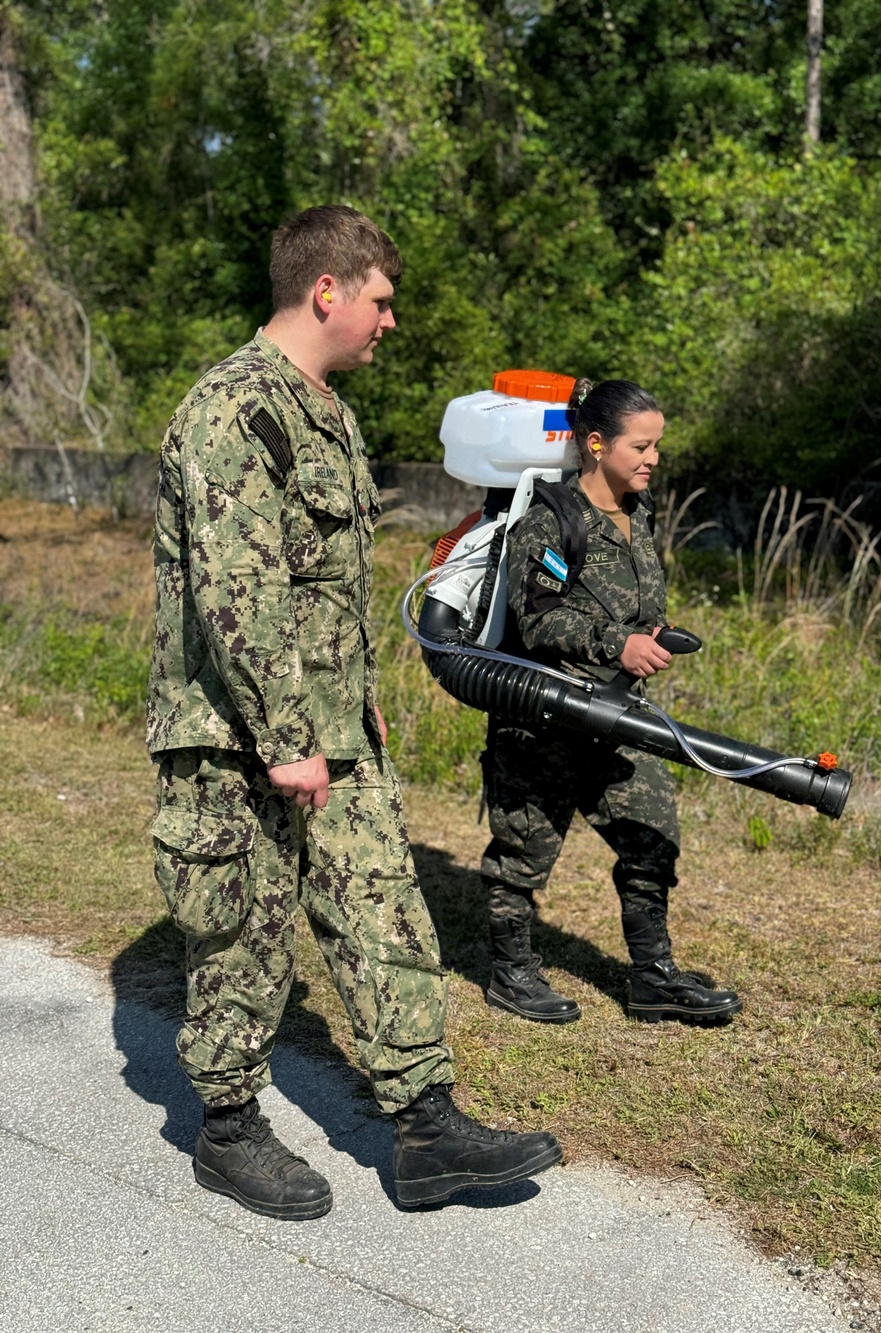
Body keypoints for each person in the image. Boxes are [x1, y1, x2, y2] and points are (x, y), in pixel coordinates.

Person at [146, 204, 561, 1218]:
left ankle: (425, 1125)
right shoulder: (233, 410)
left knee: (385, 908)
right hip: (238, 737)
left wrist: (356, 710)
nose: (389, 322)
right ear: (325, 289)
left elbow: (322, 586)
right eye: (380, 300)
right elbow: (237, 591)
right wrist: (286, 738)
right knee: (243, 933)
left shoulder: (324, 408)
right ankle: (229, 1126)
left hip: (330, 729)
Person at [480, 377, 743, 1027]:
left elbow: (631, 602)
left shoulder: (640, 512)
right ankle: (511, 972)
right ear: (595, 444)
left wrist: (648, 632)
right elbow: (537, 617)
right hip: (545, 713)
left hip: (618, 713)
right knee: (523, 854)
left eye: (658, 446)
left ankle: (652, 978)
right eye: (641, 445)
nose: (653, 458)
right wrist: (613, 642)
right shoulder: (554, 519)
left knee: (652, 837)